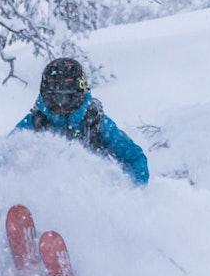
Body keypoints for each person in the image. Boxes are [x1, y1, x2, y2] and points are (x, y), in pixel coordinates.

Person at [15, 57, 149, 185]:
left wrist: (129, 191)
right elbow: (3, 155)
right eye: (53, 99)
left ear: (80, 95)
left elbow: (134, 158)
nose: (60, 107)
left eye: (67, 99)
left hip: (89, 194)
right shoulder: (35, 123)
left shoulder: (96, 123)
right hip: (42, 191)